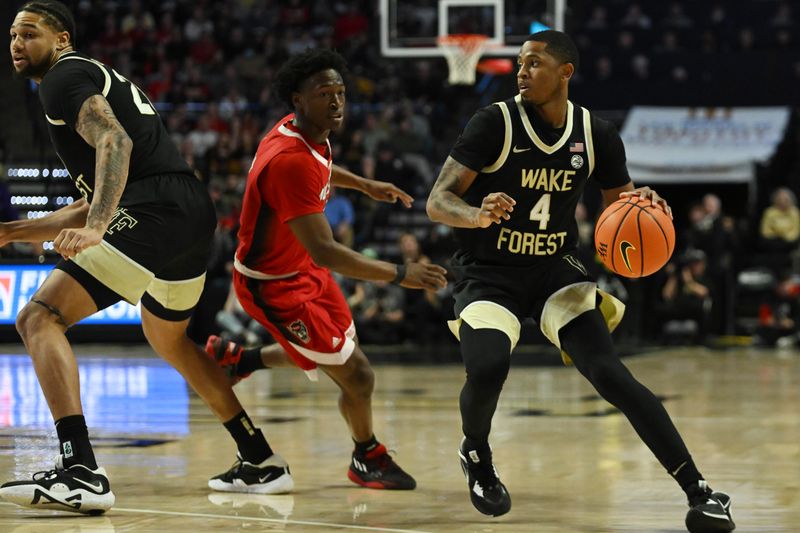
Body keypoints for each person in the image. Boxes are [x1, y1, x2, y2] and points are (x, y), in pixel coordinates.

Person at [425, 30, 734, 533]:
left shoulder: (596, 134)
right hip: (490, 272)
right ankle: (476, 453)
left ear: (565, 72)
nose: (522, 71)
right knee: (487, 367)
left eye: (534, 63)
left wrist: (645, 208)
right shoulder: (494, 122)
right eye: (520, 63)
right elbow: (438, 201)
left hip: (554, 271)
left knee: (611, 374)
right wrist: (476, 214)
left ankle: (699, 491)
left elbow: (622, 210)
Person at [1, 1, 291, 515]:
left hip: (152, 208)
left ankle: (81, 471)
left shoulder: (62, 78)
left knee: (38, 317)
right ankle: (259, 457)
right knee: (170, 339)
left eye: (29, 33)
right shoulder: (87, 76)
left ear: (62, 39)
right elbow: (99, 193)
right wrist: (14, 231)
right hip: (188, 210)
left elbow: (114, 140)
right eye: (11, 36)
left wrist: (95, 230)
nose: (17, 44)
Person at [204, 49, 447, 490]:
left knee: (337, 350)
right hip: (273, 286)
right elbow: (328, 253)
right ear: (297, 98)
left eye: (340, 93)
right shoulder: (289, 159)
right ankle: (366, 456)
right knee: (357, 373)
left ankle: (243, 359)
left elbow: (324, 169)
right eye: (324, 94)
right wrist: (400, 273)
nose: (337, 103)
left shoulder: (305, 132)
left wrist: (364, 183)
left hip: (302, 273)